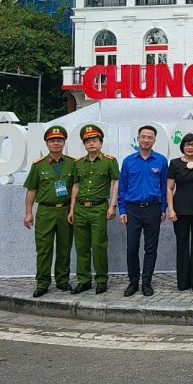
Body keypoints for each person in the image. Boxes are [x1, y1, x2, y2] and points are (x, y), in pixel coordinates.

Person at [23, 125, 76, 298]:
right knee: (44, 248)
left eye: (59, 141)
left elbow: (76, 187)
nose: (56, 144)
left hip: (65, 210)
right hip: (46, 211)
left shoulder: (72, 163)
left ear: (64, 143)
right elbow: (31, 190)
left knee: (64, 247)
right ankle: (43, 283)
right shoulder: (38, 165)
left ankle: (62, 280)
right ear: (47, 144)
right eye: (52, 141)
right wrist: (28, 212)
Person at [117, 125, 168, 297]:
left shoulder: (161, 161)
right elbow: (122, 187)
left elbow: (164, 187)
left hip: (153, 208)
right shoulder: (128, 161)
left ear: (154, 140)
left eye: (150, 137)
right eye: (143, 136)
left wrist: (163, 208)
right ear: (138, 138)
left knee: (150, 248)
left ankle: (146, 282)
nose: (146, 140)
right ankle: (133, 282)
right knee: (132, 247)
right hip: (132, 209)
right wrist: (122, 209)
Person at [68, 125, 119, 295]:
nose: (91, 144)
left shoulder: (109, 161)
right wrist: (72, 209)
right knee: (81, 246)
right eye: (88, 141)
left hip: (99, 208)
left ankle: (101, 279)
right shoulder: (78, 163)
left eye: (94, 140)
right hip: (80, 208)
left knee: (98, 245)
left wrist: (112, 206)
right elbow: (75, 186)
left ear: (101, 143)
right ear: (84, 144)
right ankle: (84, 280)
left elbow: (115, 183)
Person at [167, 133, 193, 291]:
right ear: (182, 146)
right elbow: (169, 188)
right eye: (187, 144)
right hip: (180, 209)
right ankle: (183, 282)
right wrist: (170, 209)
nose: (190, 147)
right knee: (182, 245)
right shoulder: (174, 163)